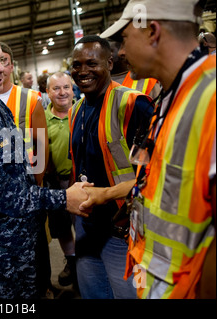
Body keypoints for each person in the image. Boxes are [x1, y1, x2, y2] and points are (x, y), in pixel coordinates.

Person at [0, 28, 91, 299]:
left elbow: (20, 168)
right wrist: (63, 199)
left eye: (1, 60)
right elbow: (2, 195)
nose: (1, 69)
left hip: (26, 232)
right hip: (4, 247)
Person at [100, 0, 215, 299]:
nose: (121, 52)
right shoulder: (170, 98)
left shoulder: (211, 97)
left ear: (152, 31)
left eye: (124, 39)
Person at [68, 35, 153, 299]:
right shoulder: (76, 109)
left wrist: (105, 194)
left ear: (109, 63)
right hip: (86, 224)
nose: (83, 71)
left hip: (123, 227)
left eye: (91, 64)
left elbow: (151, 175)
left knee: (128, 294)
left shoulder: (133, 105)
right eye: (77, 65)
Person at [0, 41, 52, 298]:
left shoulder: (30, 98)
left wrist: (37, 183)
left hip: (28, 185)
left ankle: (43, 286)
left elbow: (41, 144)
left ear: (12, 64)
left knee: (37, 242)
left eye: (4, 60)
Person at [43, 72, 78, 291]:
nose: (62, 92)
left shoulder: (83, 111)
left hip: (82, 182)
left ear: (73, 90)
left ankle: (87, 265)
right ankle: (72, 262)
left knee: (83, 226)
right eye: (56, 88)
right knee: (62, 227)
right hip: (56, 183)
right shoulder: (41, 118)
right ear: (48, 92)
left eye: (66, 87)